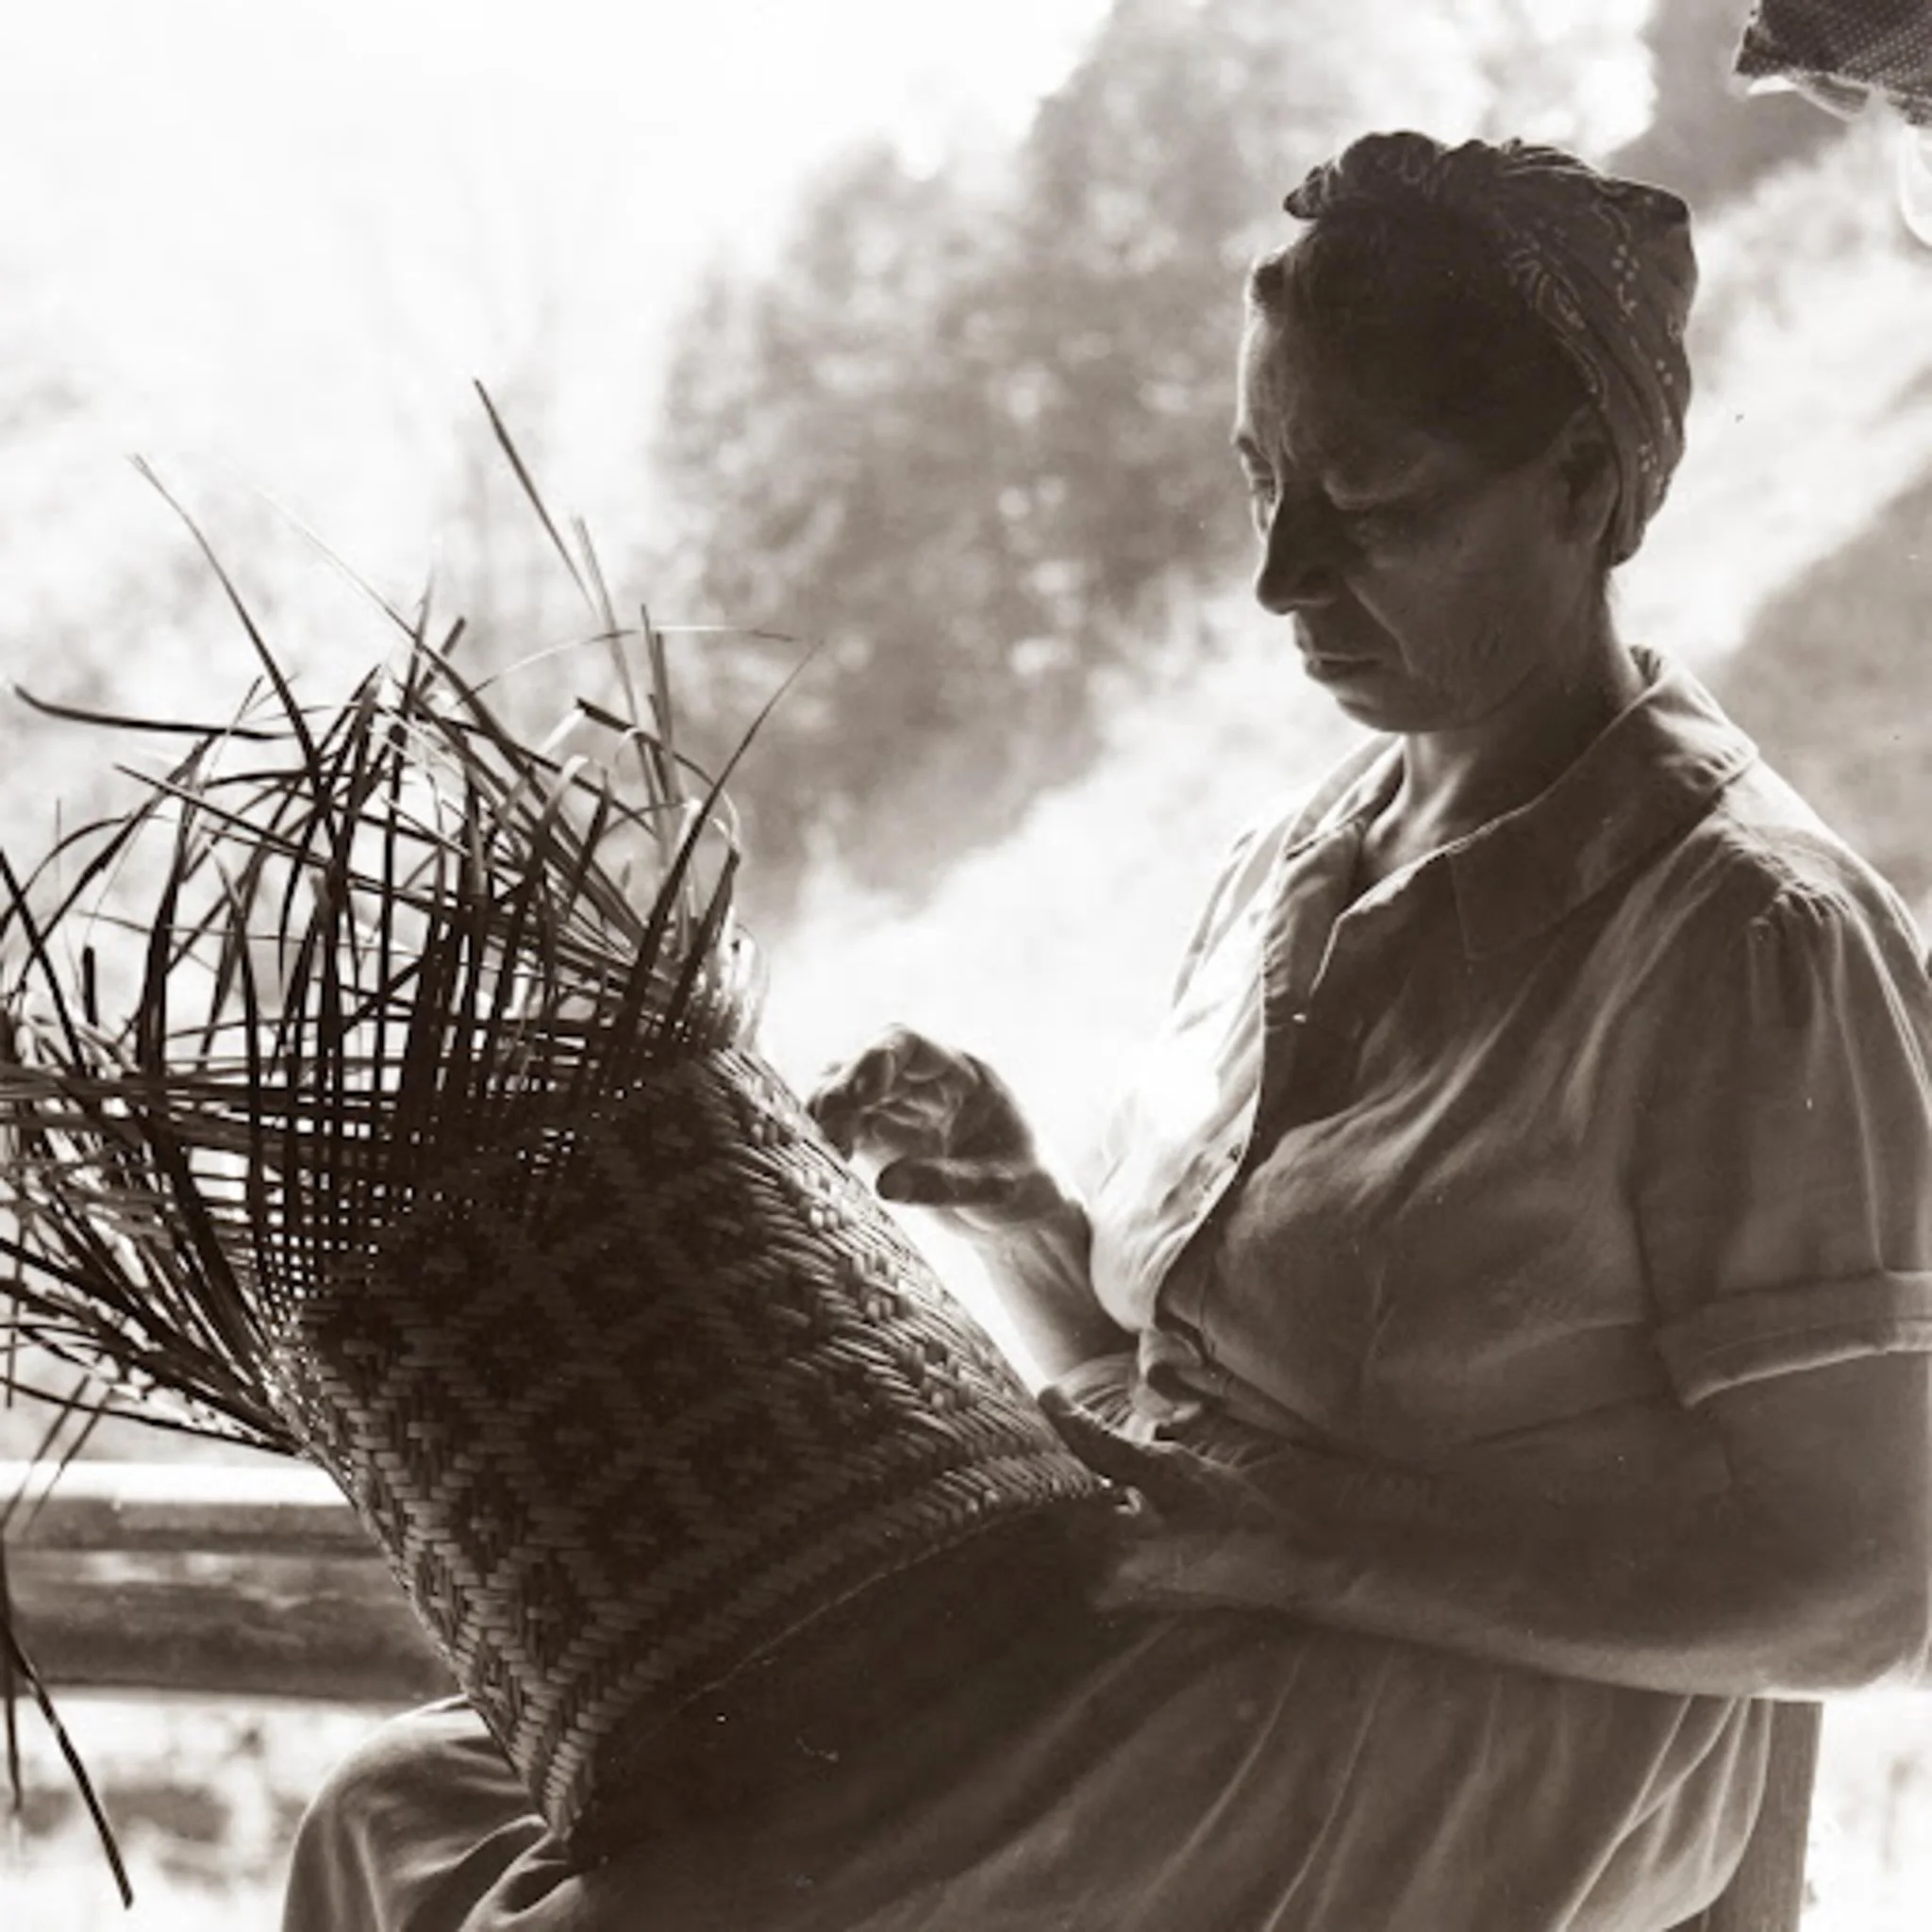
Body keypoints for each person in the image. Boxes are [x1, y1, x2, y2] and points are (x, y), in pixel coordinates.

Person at [280, 130, 1932, 1932]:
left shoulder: (1748, 940)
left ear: (1589, 488)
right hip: (1193, 1628)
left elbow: (1868, 1590)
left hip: (1462, 1724)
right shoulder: (1295, 865)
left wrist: (1324, 1552)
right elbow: (1191, 1417)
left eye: (1374, 505)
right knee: (394, 1813)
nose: (1283, 576)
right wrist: (1024, 1222)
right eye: (1260, 483)